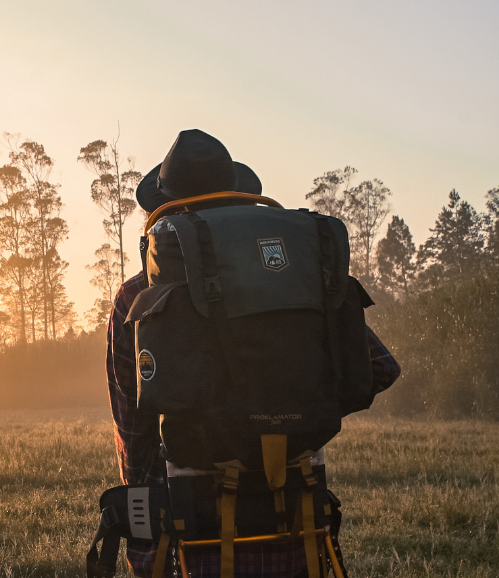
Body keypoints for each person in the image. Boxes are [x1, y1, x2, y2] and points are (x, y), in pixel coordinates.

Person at [105, 129, 401, 578]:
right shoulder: (300, 275)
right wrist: (295, 411)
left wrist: (148, 542)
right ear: (238, 200)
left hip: (196, 526)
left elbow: (134, 428)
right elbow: (380, 368)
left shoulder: (138, 297)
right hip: (298, 516)